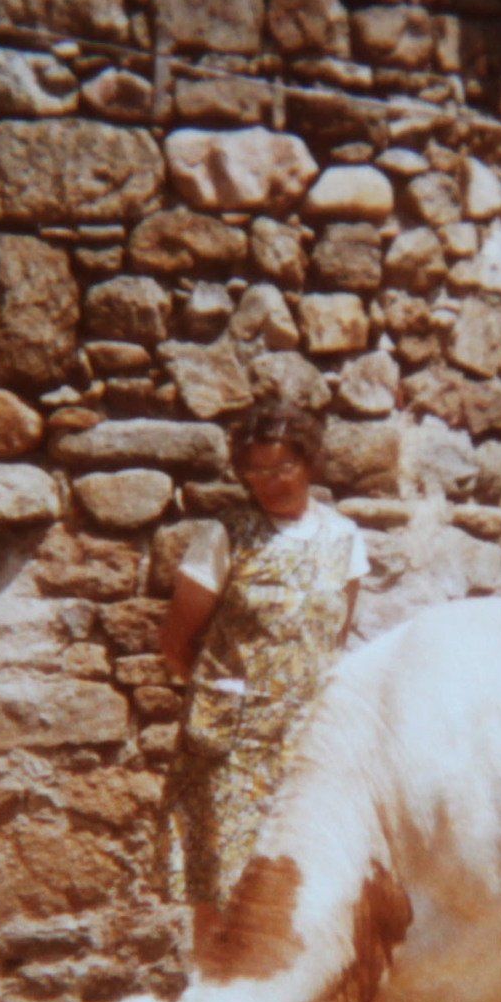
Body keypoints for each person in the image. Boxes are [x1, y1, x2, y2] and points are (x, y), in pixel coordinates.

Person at [159, 399, 369, 947]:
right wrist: (224, 695)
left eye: (280, 468)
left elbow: (335, 637)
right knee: (224, 878)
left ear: (308, 464)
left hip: (309, 738)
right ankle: (213, 997)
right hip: (232, 744)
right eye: (254, 471)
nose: (267, 483)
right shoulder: (226, 537)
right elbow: (176, 642)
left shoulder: (344, 539)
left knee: (306, 868)